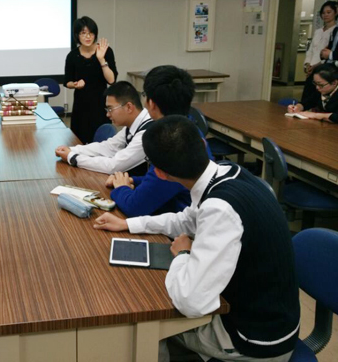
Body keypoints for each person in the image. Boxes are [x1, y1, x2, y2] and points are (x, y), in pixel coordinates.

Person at [94, 116, 299, 362]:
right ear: (203, 144)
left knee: (144, 329)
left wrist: (182, 254)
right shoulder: (227, 172)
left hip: (255, 340)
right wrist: (128, 224)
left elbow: (191, 302)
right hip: (270, 315)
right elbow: (187, 219)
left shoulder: (220, 208)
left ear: (159, 173)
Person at [105, 66, 213, 218]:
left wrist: (121, 187)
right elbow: (161, 180)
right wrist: (131, 180)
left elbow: (134, 207)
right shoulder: (189, 130)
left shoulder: (170, 143)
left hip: (180, 222)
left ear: (151, 103)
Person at [55, 81, 152, 176]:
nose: (107, 114)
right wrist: (72, 150)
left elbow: (114, 166)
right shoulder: (132, 125)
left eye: (110, 109)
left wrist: (73, 157)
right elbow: (108, 147)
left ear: (129, 107)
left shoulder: (147, 133)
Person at [64, 16, 118, 143]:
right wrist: (75, 84)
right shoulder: (72, 56)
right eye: (83, 33)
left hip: (100, 103)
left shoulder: (106, 51)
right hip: (81, 105)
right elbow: (67, 81)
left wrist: (101, 59)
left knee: (102, 142)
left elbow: (111, 80)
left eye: (91, 33)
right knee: (79, 142)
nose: (88, 37)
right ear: (77, 35)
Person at [301, 0, 337, 104]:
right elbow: (311, 49)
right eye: (323, 13)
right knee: (307, 96)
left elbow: (328, 53)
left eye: (329, 12)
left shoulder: (335, 31)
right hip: (311, 68)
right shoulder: (318, 31)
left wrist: (316, 66)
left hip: (323, 68)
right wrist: (307, 64)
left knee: (318, 97)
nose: (326, 15)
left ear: (335, 13)